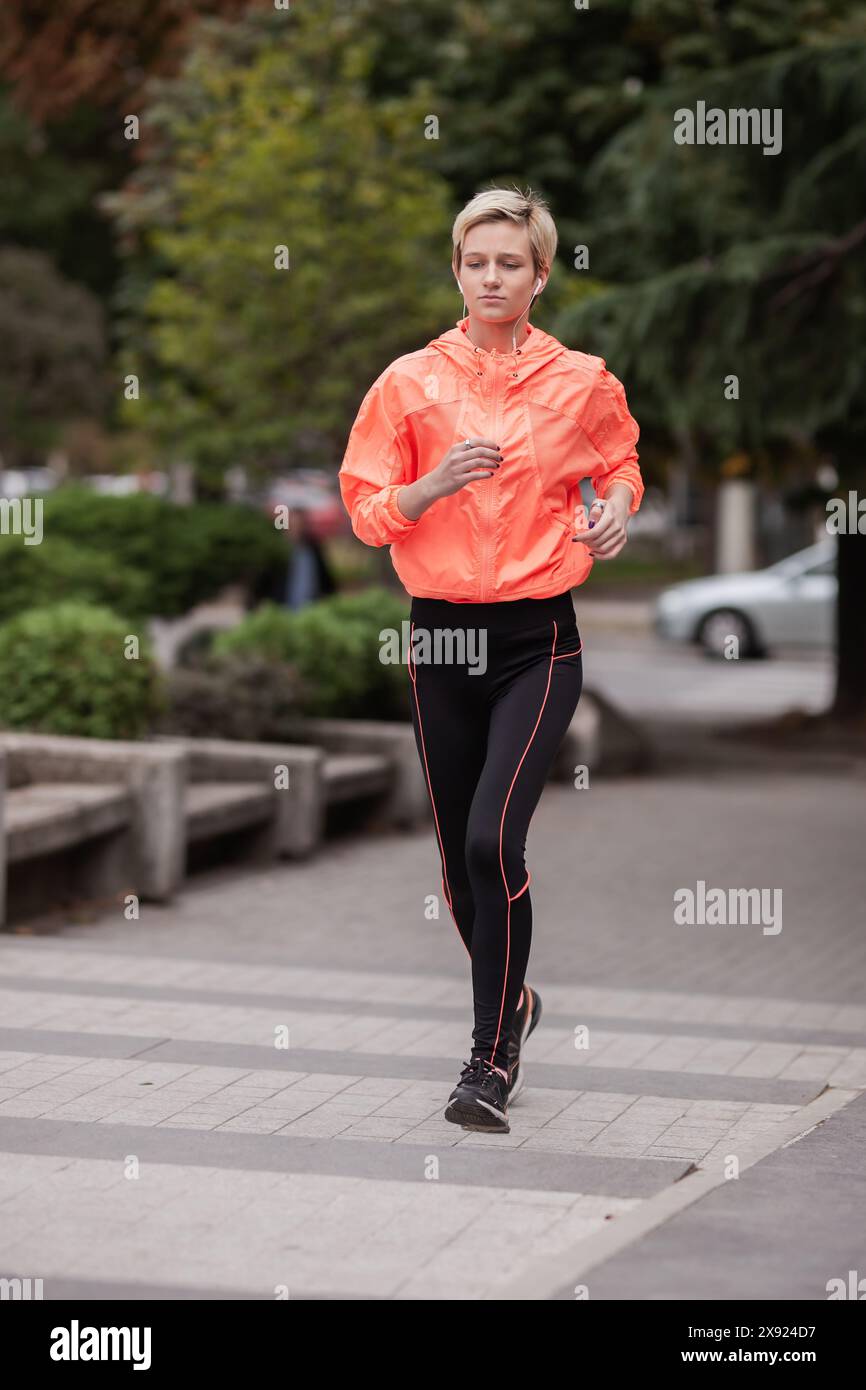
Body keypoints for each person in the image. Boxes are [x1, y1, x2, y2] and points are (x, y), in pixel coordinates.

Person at [338, 185, 643, 1134]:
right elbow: (364, 507)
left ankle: (488, 1061)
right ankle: (511, 998)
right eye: (477, 262)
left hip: (537, 639)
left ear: (540, 276)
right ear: (458, 270)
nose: (492, 277)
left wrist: (615, 514)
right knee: (455, 862)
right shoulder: (408, 383)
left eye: (511, 263)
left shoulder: (582, 380)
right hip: (441, 636)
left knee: (489, 842)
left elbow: (622, 468)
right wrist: (428, 487)